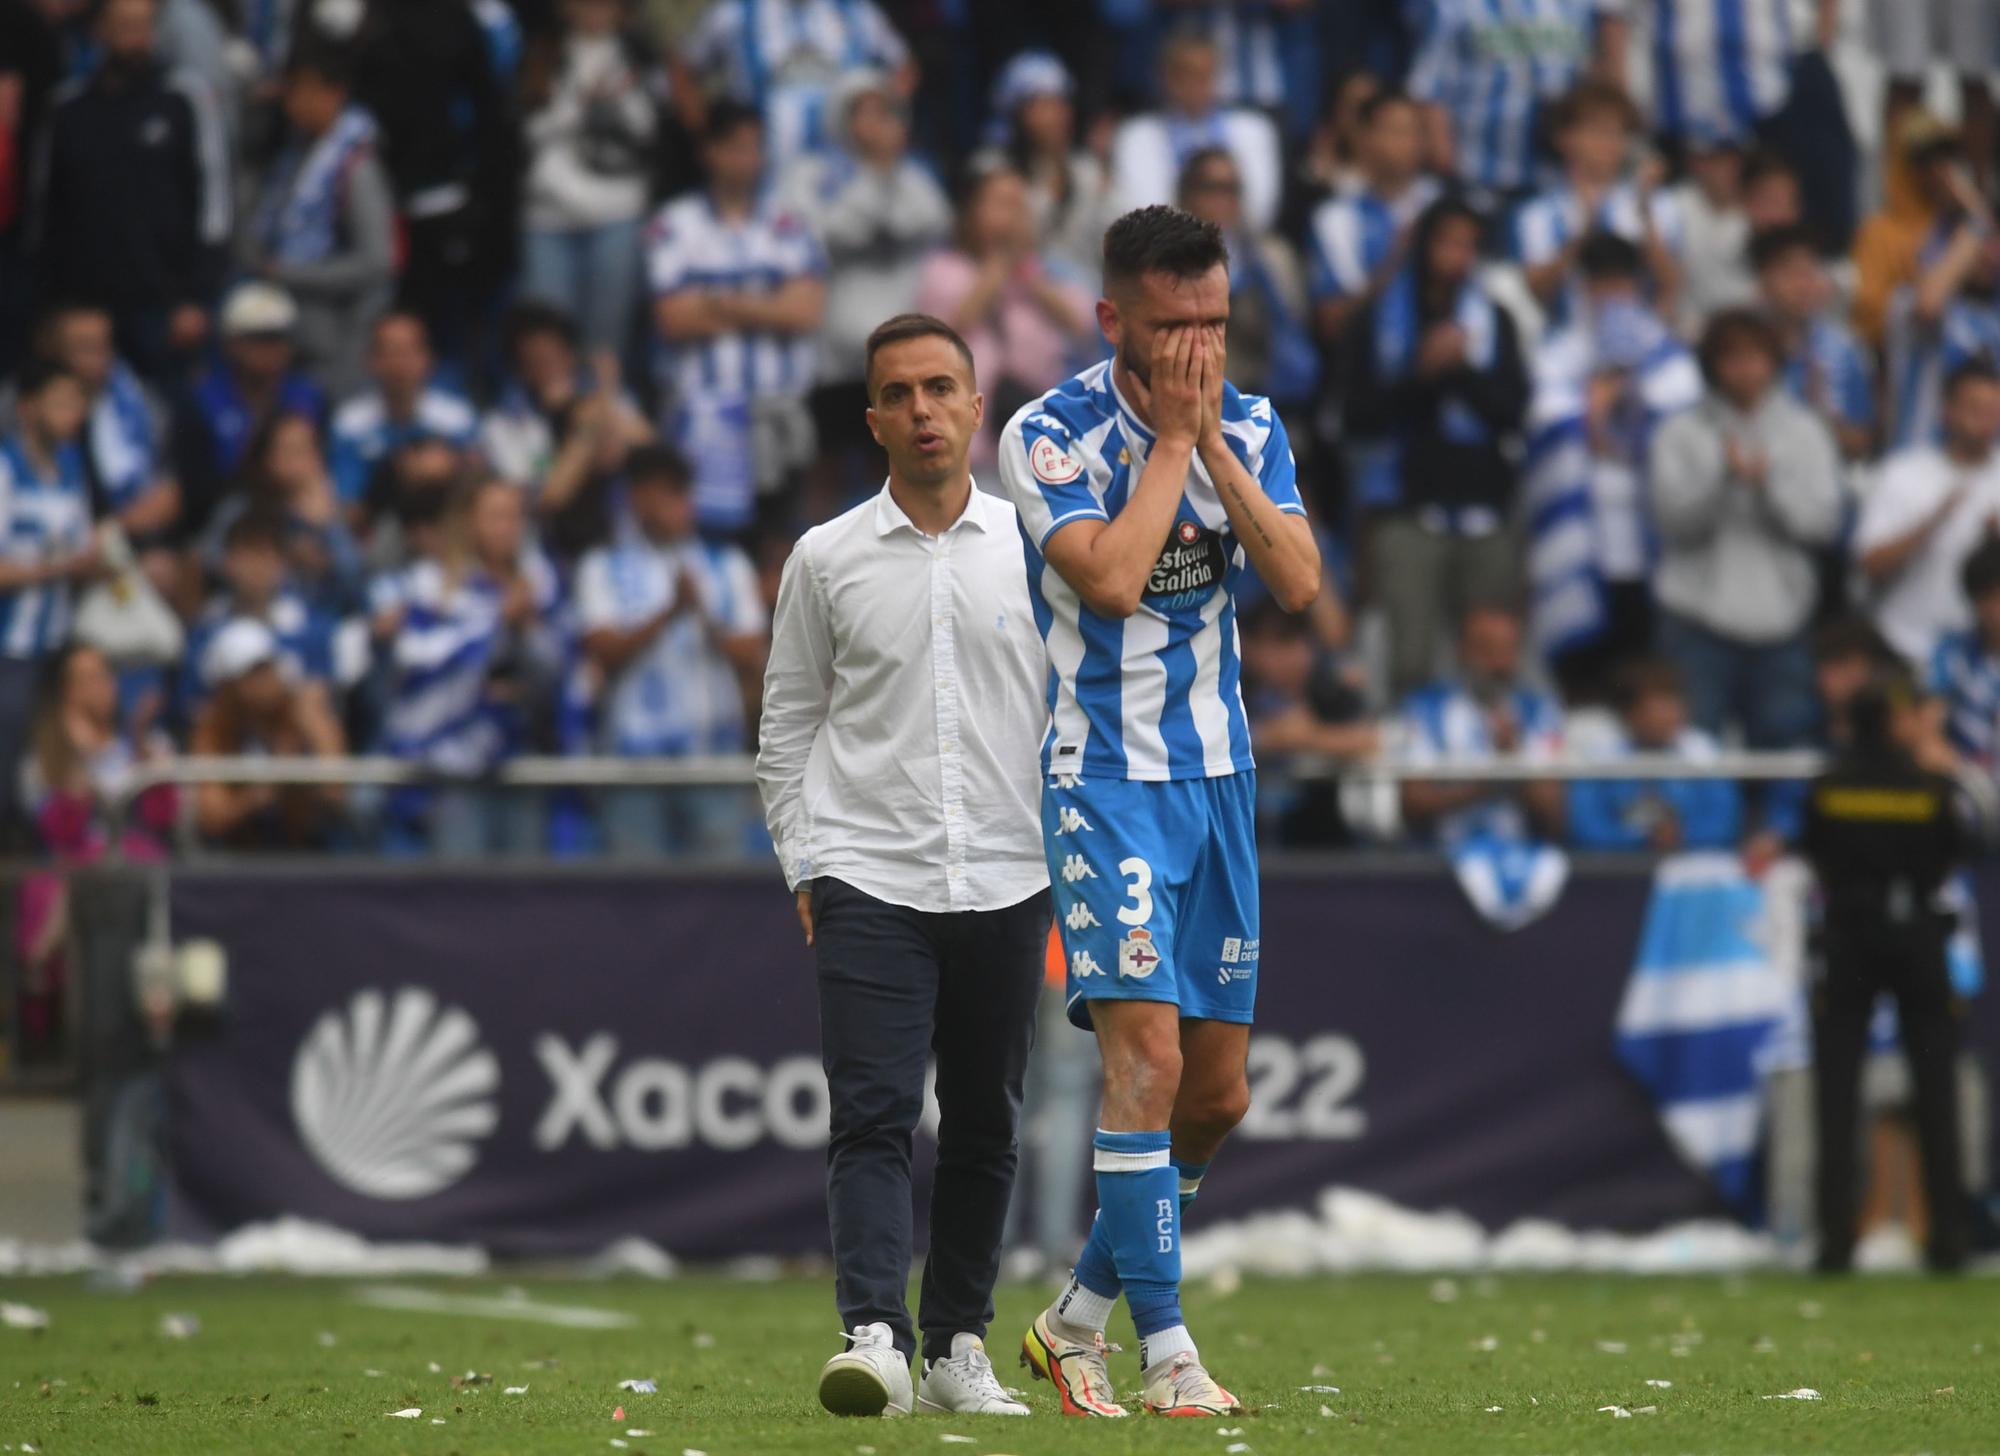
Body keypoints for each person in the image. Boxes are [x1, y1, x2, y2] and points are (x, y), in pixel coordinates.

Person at [1000, 207, 1320, 1418]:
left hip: (1219, 777)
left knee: (1218, 1094)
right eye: (1173, 326)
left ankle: (1073, 1316)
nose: (1198, 349)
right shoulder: (1050, 433)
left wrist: (1214, 448)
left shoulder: (1247, 420)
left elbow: (1294, 582)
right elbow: (1117, 577)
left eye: (1215, 324)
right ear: (1110, 320)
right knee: (1145, 1057)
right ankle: (1167, 1353)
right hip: (1104, 778)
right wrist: (1173, 448)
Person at [756, 314, 1050, 1418]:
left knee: (985, 1119)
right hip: (866, 872)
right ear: (872, 416)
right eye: (899, 392)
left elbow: (1075, 706)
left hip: (1009, 871)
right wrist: (804, 861)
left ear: (978, 406)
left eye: (941, 387)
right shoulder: (825, 556)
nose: (922, 409)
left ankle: (955, 1346)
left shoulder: (1036, 544)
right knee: (871, 1112)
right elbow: (786, 727)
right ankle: (872, 1332)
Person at [1800, 671, 1970, 1274]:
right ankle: (1949, 1238)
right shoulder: (1928, 785)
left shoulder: (1829, 785)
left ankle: (1833, 1241)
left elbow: (1815, 850)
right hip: (1918, 935)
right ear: (1896, 720)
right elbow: (1956, 848)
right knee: (1936, 1085)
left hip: (1848, 934)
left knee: (1836, 1089)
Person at [1347, 196, 1528, 701]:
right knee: (1412, 657)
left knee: (1492, 659)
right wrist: (1422, 377)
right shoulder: (1379, 320)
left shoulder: (1494, 319)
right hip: (1407, 513)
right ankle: (1417, 768)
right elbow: (1358, 417)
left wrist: (1461, 371)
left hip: (1485, 513)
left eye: (1469, 244)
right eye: (1448, 241)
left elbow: (1512, 410)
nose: (1457, 255)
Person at [1649, 308, 1842, 748]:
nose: (1745, 368)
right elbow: (1671, 523)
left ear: (1773, 362)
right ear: (1712, 365)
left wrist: (1766, 486)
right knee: (1694, 749)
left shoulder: (1805, 431)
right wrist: (1723, 479)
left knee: (1780, 753)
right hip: (1696, 624)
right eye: (1731, 357)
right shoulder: (1679, 432)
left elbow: (1823, 526)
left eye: (1756, 355)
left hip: (1783, 627)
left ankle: (1770, 822)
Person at [1524, 232, 1702, 700]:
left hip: (1650, 553)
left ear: (1637, 284)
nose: (1608, 296)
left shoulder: (1666, 352)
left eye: (1619, 282)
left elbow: (1682, 425)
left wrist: (1627, 406)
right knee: (1584, 685)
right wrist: (1595, 409)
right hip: (1585, 544)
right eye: (1597, 283)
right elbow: (1547, 424)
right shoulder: (1560, 350)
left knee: (1645, 681)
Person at [25, 0, 230, 382]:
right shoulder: (68, 109)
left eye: (144, 27)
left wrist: (196, 295)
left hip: (162, 306)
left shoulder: (181, 100)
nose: (137, 39)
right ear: (100, 31)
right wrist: (51, 304)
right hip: (86, 308)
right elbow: (46, 213)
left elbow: (212, 204)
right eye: (125, 27)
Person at [647, 102, 825, 537]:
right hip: (702, 417)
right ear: (709, 151)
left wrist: (718, 302)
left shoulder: (787, 221)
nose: (746, 158)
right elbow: (673, 318)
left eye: (753, 148)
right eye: (735, 147)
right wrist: (767, 302)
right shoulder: (675, 223)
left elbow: (804, 311)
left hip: (779, 409)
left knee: (784, 546)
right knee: (715, 542)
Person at [578, 445, 765, 857]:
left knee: (720, 896)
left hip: (711, 759)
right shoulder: (603, 566)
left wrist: (702, 615)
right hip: (632, 763)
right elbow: (601, 649)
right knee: (637, 897)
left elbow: (751, 651)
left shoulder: (726, 564)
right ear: (637, 500)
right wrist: (668, 614)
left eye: (680, 493)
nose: (675, 505)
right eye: (662, 494)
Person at [369, 477, 562, 857]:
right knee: (464, 894)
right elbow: (418, 659)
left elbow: (557, 673)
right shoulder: (432, 586)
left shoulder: (540, 586)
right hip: (452, 765)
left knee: (530, 898)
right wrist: (497, 628)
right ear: (469, 522)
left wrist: (526, 632)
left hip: (521, 761)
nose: (507, 527)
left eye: (514, 516)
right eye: (495, 516)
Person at [782, 70, 950, 494]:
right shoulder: (814, 175)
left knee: (894, 459)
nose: (877, 122)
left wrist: (885, 176)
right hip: (835, 353)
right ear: (843, 116)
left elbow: (935, 225)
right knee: (828, 463)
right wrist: (873, 179)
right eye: (865, 111)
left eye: (884, 111)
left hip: (903, 347)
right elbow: (825, 236)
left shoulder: (913, 176)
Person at [915, 164, 1093, 471]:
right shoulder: (943, 269)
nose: (1014, 216)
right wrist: (1000, 262)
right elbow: (949, 328)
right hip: (973, 448)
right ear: (971, 213)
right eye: (1001, 204)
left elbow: (1082, 324)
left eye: (1020, 205)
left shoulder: (1047, 270)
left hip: (1040, 439)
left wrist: (1030, 276)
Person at [1640, 0, 1856, 252]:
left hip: (1782, 79)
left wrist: (1821, 40)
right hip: (1686, 91)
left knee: (1804, 217)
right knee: (1689, 219)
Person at [248, 46, 396, 399]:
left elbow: (377, 262)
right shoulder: (292, 156)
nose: (294, 104)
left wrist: (289, 273)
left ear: (335, 93)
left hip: (339, 338)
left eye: (306, 92)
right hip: (292, 328)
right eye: (291, 92)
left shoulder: (356, 167)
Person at [518, 0, 663, 357]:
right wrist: (580, 103)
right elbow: (528, 134)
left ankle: (603, 408)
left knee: (606, 341)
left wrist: (621, 98)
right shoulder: (542, 55)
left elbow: (649, 130)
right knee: (548, 336)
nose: (594, 10)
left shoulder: (637, 56)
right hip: (548, 216)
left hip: (616, 213)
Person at [481, 302, 651, 562]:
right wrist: (587, 434)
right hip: (551, 553)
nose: (549, 368)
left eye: (555, 356)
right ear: (521, 369)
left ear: (571, 356)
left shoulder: (599, 399)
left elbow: (649, 446)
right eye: (536, 360)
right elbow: (549, 497)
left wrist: (603, 396)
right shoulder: (506, 424)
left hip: (619, 544)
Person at [1856, 363, 2000, 671]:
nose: (1984, 419)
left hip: (1980, 658)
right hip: (1904, 644)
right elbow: (1869, 565)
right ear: (1947, 411)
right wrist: (1932, 523)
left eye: (1992, 409)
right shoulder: (1903, 473)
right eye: (1973, 407)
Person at [1406, 0, 1625, 200]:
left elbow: (1594, 87)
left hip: (1553, 177)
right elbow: (1430, 86)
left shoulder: (1577, 7)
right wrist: (1444, 157)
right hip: (1475, 172)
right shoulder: (1456, 6)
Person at [1511, 78, 1681, 330]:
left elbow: (1671, 284)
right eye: (1597, 130)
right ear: (1564, 137)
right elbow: (1536, 290)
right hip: (1568, 341)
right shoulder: (1537, 214)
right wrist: (1583, 229)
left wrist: (1645, 215)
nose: (1609, 142)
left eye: (1618, 132)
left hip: (1640, 336)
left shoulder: (1656, 203)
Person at [673, 0, 915, 174]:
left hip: (848, 174)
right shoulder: (735, 13)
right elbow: (682, 70)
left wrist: (883, 126)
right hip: (764, 177)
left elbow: (904, 67)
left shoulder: (855, 11)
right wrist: (708, 135)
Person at [178, 283, 326, 533]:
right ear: (231, 343)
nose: (270, 348)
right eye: (258, 338)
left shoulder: (310, 397)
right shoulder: (201, 400)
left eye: (278, 337)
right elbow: (193, 485)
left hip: (300, 515)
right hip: (222, 519)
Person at [189, 616, 347, 849]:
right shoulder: (213, 732)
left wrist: (319, 731)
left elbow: (335, 794)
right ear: (228, 686)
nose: (267, 679)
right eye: (253, 672)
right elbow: (212, 817)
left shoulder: (301, 714)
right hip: (239, 863)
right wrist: (264, 792)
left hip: (304, 854)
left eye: (269, 667)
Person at [1108, 30, 1282, 236]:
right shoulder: (1136, 135)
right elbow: (1142, 212)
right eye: (1185, 75)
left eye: (1204, 75)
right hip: (1165, 253)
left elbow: (1259, 212)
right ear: (1165, 79)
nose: (1195, 85)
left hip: (1239, 247)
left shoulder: (1254, 129)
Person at [1304, 88, 1439, 346]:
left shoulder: (1442, 207)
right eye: (1395, 131)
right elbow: (1330, 321)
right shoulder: (1335, 219)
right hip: (1361, 368)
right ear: (1364, 138)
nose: (1406, 142)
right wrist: (1395, 259)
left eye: (1414, 132)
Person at [1567, 658, 1742, 852]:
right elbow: (1585, 825)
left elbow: (1723, 822)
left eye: (1674, 703)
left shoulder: (1703, 752)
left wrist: (1682, 835)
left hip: (1692, 861)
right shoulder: (1601, 755)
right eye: (1660, 706)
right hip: (1618, 866)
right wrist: (1638, 839)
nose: (1671, 714)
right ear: (1630, 713)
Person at [1883, 165, 2000, 451]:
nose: (1990, 254)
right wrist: (1976, 224)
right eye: (1982, 244)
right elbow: (1928, 305)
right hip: (1916, 469)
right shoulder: (1907, 299)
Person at [973, 50, 1116, 283]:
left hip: (1082, 296)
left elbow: (1115, 234)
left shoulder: (1087, 169)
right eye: (1044, 105)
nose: (1058, 115)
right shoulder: (989, 169)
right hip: (1009, 292)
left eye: (1061, 103)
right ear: (1017, 112)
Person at [328, 312, 480, 507]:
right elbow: (347, 504)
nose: (399, 364)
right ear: (371, 361)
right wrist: (394, 476)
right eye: (390, 352)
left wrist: (454, 466)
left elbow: (479, 487)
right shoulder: (349, 423)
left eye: (408, 351)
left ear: (427, 358)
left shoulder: (457, 418)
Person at [1752, 224, 1876, 460]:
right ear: (1763, 280)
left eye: (1810, 272)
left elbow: (1861, 441)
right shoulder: (1739, 343)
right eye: (1790, 273)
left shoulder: (1845, 350)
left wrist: (1821, 418)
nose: (1803, 285)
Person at [1668, 136, 1758, 335]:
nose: (1728, 170)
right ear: (1695, 163)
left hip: (1742, 334)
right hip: (1683, 330)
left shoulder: (1756, 213)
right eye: (1717, 160)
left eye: (1734, 160)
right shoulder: (1674, 204)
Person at [1930, 538, 2000, 775]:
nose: (1996, 610)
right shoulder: (1952, 652)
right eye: (1987, 597)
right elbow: (1929, 725)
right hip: (1968, 782)